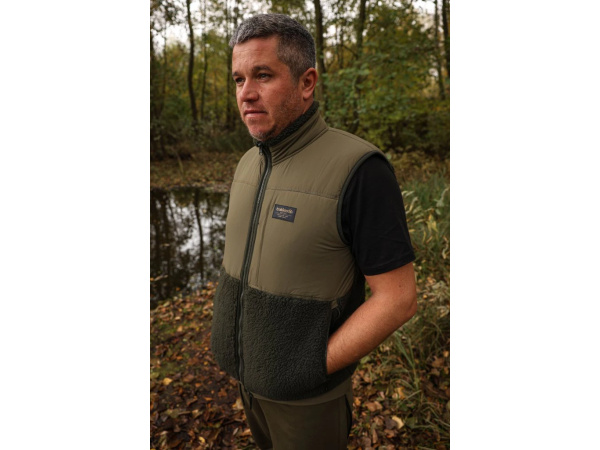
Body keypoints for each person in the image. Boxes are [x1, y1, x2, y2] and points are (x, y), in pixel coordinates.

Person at [210, 13, 417, 449]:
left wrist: (309, 366)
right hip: (248, 386)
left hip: (308, 404)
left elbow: (398, 299)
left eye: (263, 75)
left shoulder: (360, 170)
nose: (246, 93)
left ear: (307, 82)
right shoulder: (248, 162)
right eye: (238, 79)